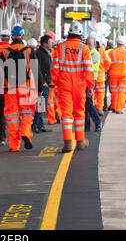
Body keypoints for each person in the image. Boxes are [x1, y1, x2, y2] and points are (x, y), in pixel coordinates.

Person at [51, 21, 95, 152]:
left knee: (66, 113)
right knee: (79, 112)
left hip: (64, 84)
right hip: (80, 85)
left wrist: (55, 83)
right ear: (81, 34)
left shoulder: (60, 47)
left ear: (69, 32)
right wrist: (90, 86)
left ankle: (68, 143)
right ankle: (80, 141)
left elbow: (55, 67)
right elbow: (88, 69)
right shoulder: (84, 48)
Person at [0, 25, 38, 152]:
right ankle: (26, 132)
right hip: (26, 88)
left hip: (9, 89)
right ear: (21, 36)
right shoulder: (30, 51)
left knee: (12, 117)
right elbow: (36, 72)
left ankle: (14, 145)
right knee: (27, 113)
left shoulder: (4, 52)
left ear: (11, 37)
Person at [107, 36, 126, 114]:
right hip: (124, 74)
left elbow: (107, 63)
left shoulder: (111, 52)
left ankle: (113, 106)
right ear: (125, 43)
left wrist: (108, 71)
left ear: (117, 43)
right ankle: (118, 109)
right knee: (122, 92)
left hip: (113, 74)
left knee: (114, 91)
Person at [0, 29, 12, 146]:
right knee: (4, 113)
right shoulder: (11, 50)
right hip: (7, 86)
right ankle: (3, 138)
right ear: (9, 38)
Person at [33, 35, 54, 133]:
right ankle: (35, 124)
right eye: (50, 42)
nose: (52, 43)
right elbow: (38, 69)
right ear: (45, 44)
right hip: (42, 84)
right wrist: (43, 82)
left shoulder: (46, 53)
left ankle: (40, 125)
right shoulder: (40, 53)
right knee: (41, 105)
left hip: (46, 82)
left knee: (42, 105)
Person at [85, 34, 103, 132]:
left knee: (88, 103)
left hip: (91, 81)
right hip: (85, 81)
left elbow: (86, 64)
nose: (87, 46)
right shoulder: (87, 53)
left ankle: (98, 122)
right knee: (85, 103)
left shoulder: (94, 54)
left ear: (94, 44)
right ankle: (86, 125)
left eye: (89, 44)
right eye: (86, 43)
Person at [95, 37, 111, 115]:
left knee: (92, 93)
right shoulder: (102, 51)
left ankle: (93, 108)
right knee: (100, 93)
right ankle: (99, 108)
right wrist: (105, 70)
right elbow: (108, 61)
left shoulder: (87, 49)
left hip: (91, 77)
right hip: (100, 77)